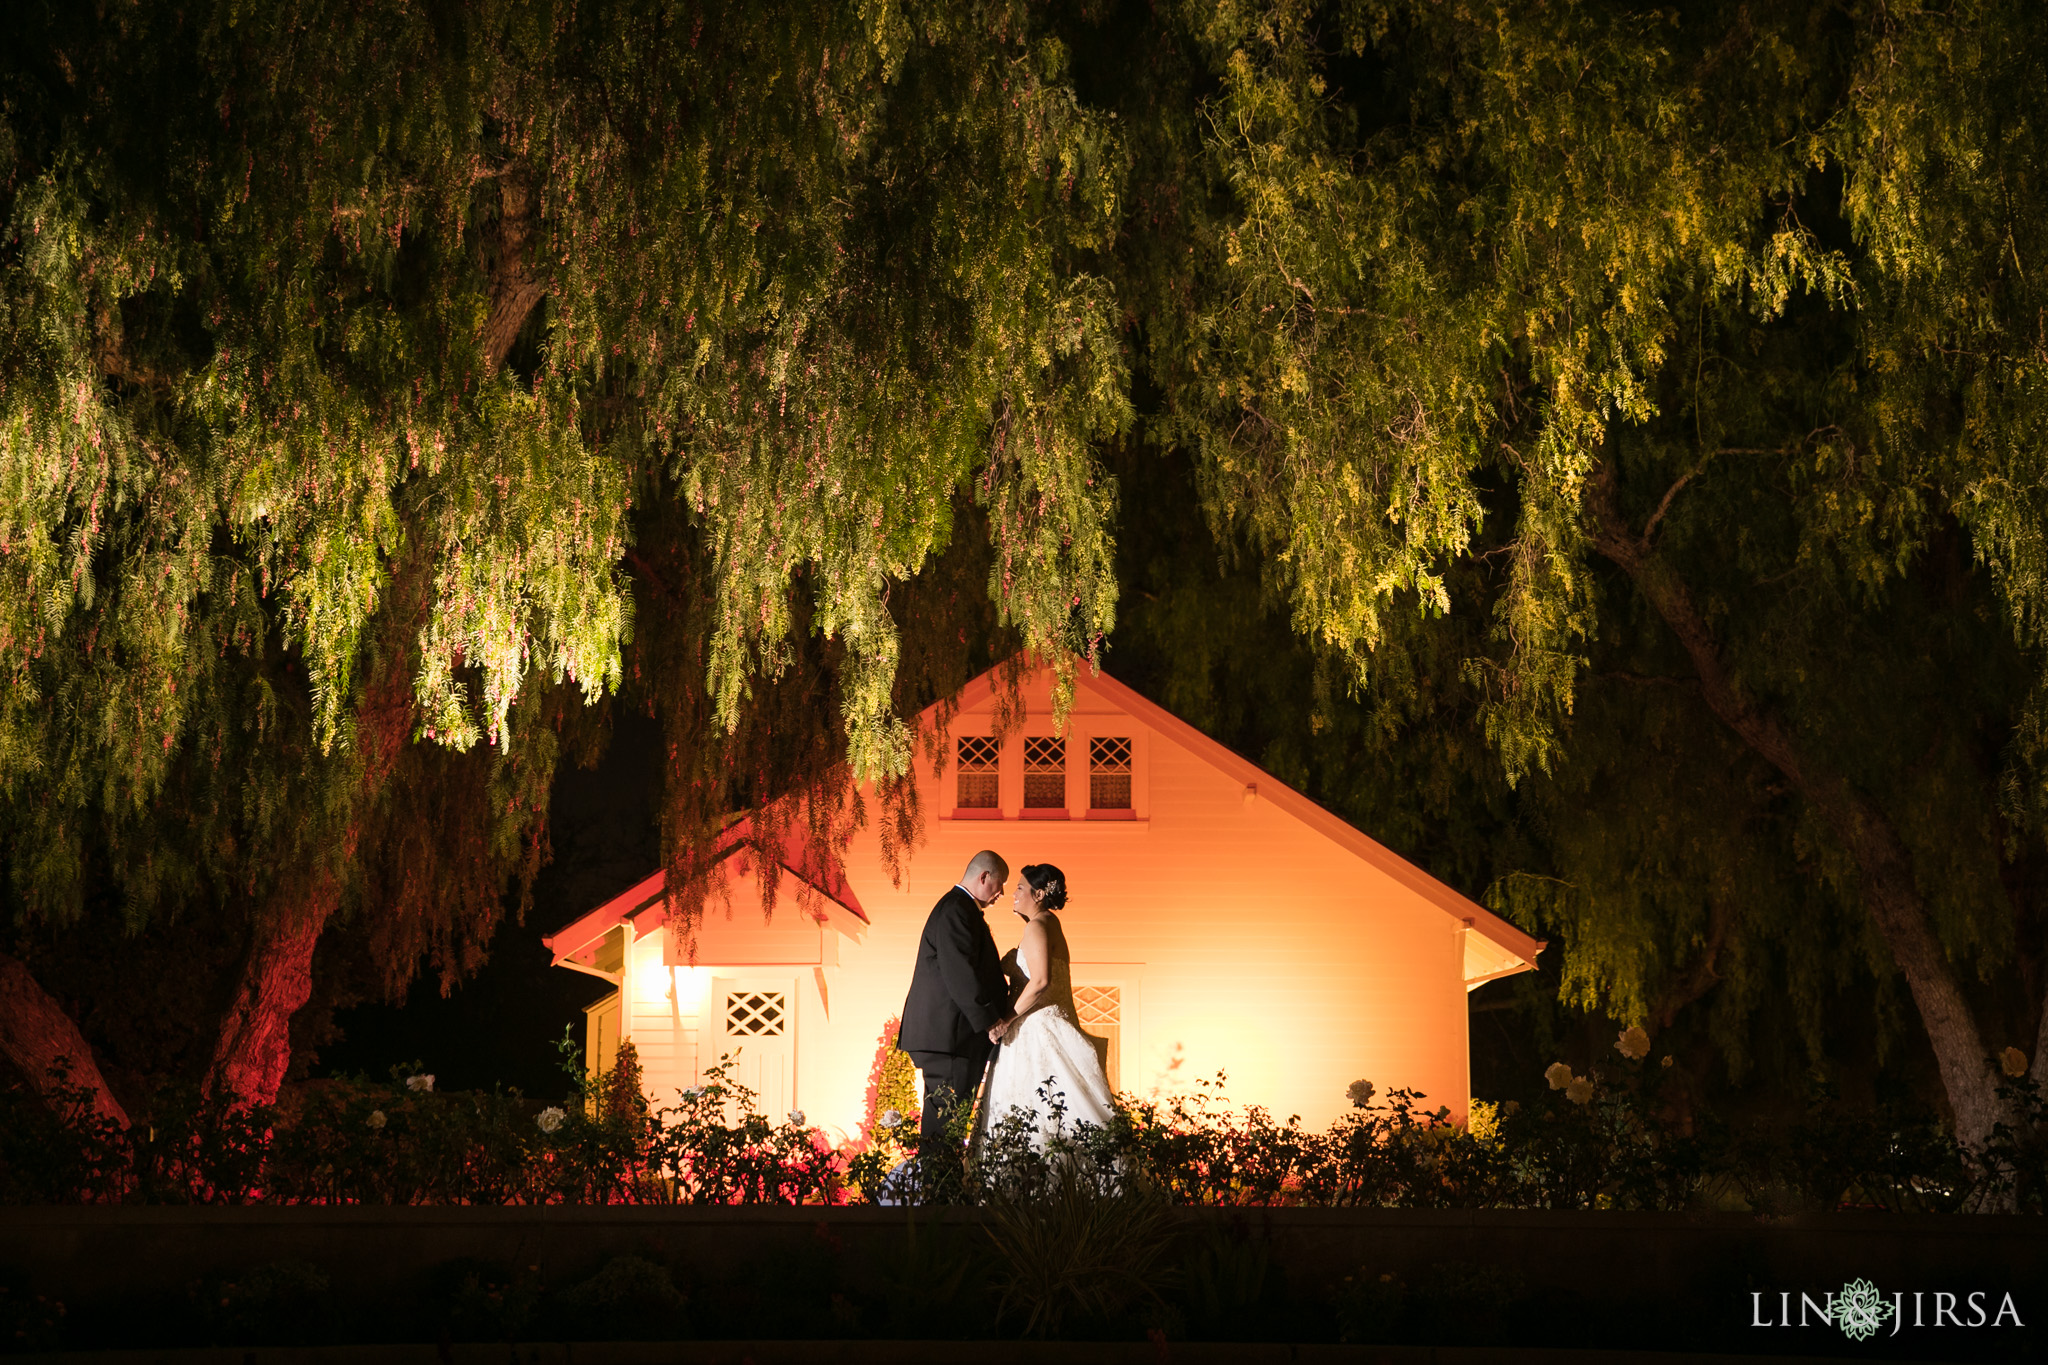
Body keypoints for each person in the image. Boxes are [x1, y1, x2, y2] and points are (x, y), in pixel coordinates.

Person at [896, 849, 1016, 1199]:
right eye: (999, 884)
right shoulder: (956, 911)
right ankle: (941, 1196)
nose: (1000, 894)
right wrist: (989, 1021)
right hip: (951, 1036)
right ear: (983, 877)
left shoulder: (959, 909)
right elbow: (960, 972)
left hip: (952, 1036)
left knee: (949, 1116)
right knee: (946, 1118)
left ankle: (941, 1191)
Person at [977, 862, 1115, 1152]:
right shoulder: (1050, 924)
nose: (1013, 893)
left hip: (1036, 1030)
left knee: (1035, 1104)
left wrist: (1006, 1020)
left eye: (1019, 888)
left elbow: (1040, 981)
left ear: (1038, 894)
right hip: (1051, 1024)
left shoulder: (1038, 926)